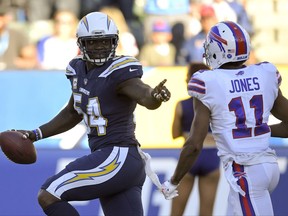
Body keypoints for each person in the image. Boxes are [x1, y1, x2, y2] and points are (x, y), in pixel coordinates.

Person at [17, 12, 171, 216]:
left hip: (117, 156)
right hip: (120, 161)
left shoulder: (120, 71)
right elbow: (72, 113)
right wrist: (35, 134)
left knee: (49, 193)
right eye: (93, 42)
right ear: (81, 44)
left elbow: (143, 95)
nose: (99, 47)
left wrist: (155, 96)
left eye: (105, 42)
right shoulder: (77, 69)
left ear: (114, 42)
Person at [161, 21, 288, 216]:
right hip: (268, 166)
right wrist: (258, 129)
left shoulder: (207, 82)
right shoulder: (265, 73)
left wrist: (174, 181)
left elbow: (195, 144)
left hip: (245, 171)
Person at [171, 62, 220, 216]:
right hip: (212, 155)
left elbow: (175, 134)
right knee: (207, 212)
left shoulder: (182, 105)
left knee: (176, 212)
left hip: (188, 157)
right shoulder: (217, 104)